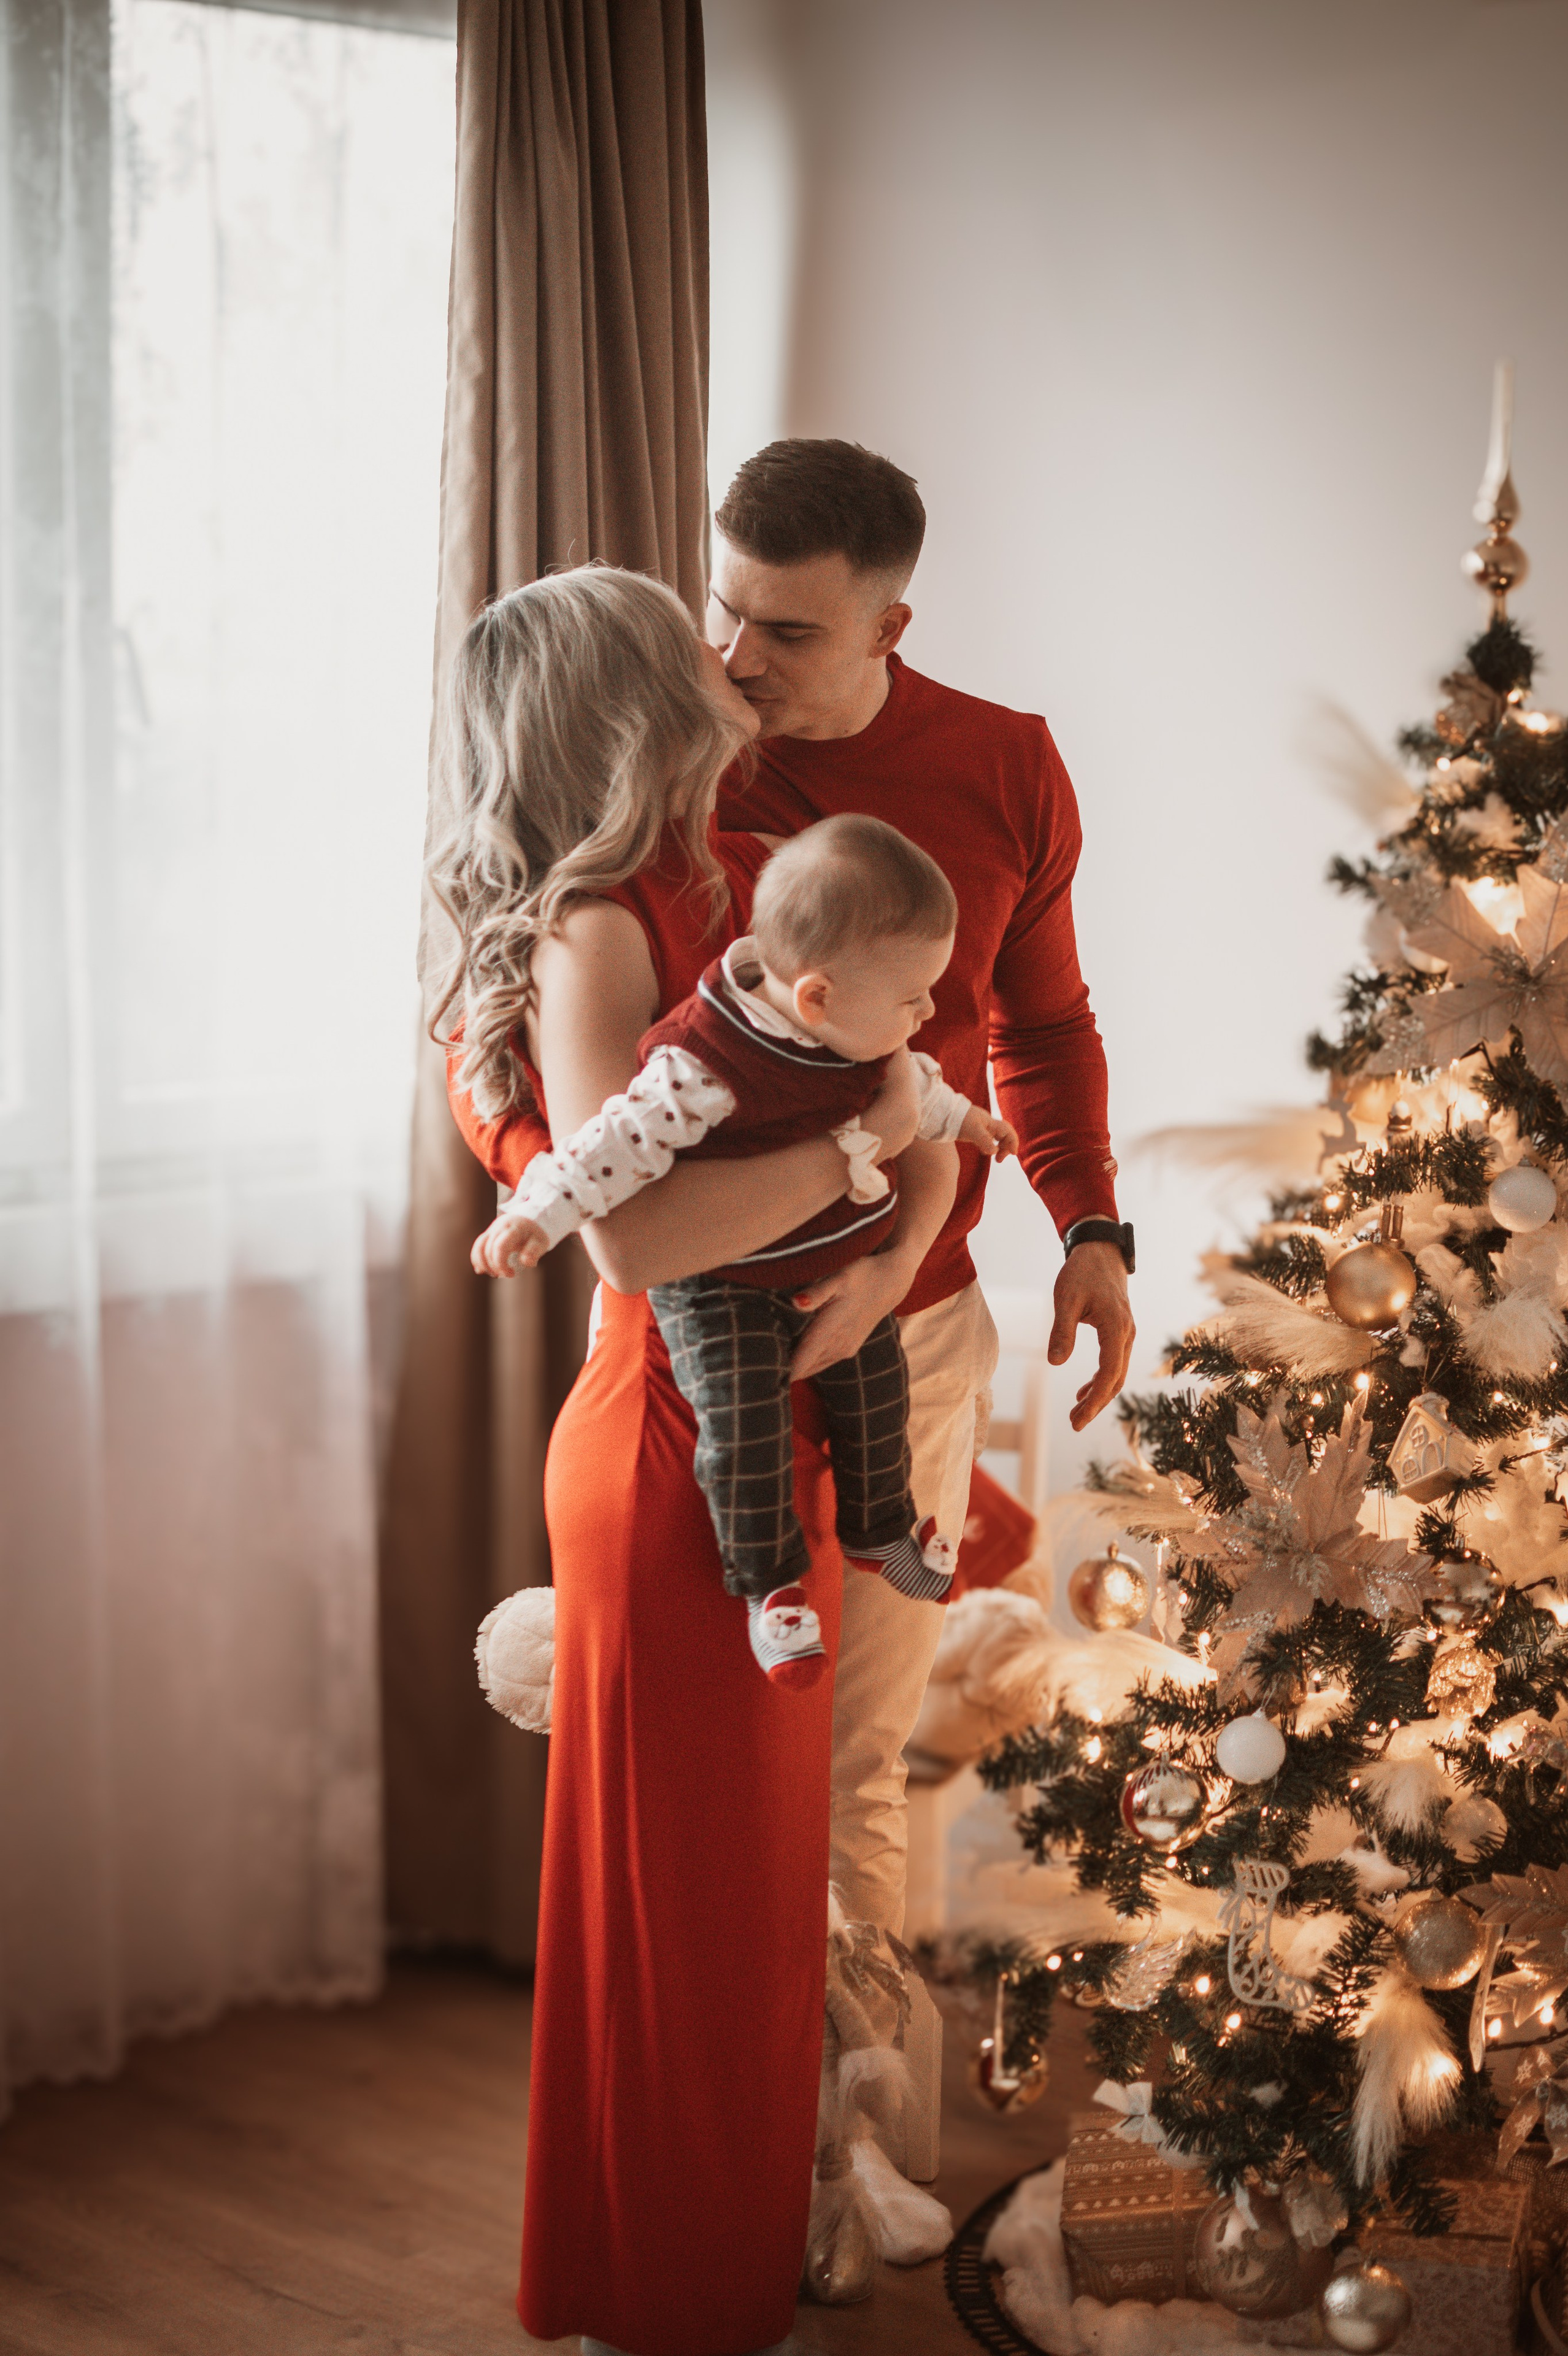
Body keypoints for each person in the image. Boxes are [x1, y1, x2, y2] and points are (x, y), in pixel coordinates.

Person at [432, 564, 954, 2356]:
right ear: (636, 694)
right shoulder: (597, 925)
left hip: (776, 1426)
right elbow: (635, 1238)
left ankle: (703, 2271)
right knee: (687, 1910)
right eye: (692, 643)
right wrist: (860, 1156)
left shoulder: (737, 873)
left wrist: (888, 1236)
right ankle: (662, 2298)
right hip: (674, 1443)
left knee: (744, 1908)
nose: (727, 663)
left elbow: (893, 1100)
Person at [707, 439, 1135, 1981]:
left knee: (856, 1765)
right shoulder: (685, 754)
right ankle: (719, 2105)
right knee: (717, 1745)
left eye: (786, 631)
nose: (736, 659)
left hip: (922, 1322)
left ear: (890, 627)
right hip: (709, 1320)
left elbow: (1042, 1024)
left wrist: (1090, 1229)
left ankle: (856, 2119)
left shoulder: (1004, 764)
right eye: (725, 610)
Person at [472, 813, 1017, 1689]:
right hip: (722, 1287)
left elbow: (922, 1093)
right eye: (914, 997)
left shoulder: (861, 1030)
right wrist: (537, 1216)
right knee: (742, 1429)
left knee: (878, 1389)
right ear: (817, 998)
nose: (927, 1012)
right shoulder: (706, 1063)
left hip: (826, 1266)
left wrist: (974, 1123)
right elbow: (612, 1145)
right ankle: (771, 1591)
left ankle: (882, 1528)